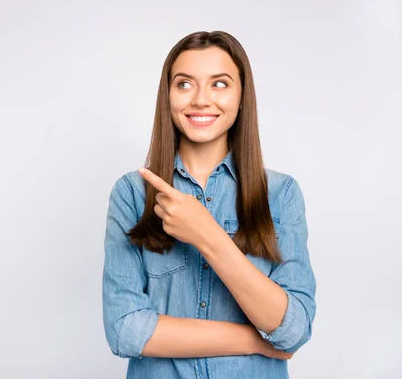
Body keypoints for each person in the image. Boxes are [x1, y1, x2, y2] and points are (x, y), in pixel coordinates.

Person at [102, 31, 317, 379]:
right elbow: (125, 329)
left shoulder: (281, 194)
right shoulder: (132, 194)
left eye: (219, 84)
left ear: (242, 97)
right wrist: (256, 340)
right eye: (185, 84)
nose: (201, 99)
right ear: (167, 95)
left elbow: (294, 330)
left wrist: (208, 236)